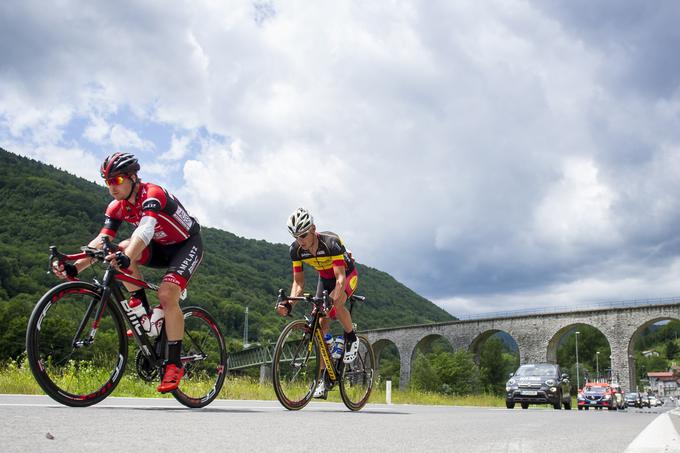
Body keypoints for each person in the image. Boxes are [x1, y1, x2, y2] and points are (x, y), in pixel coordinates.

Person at [52, 152, 203, 393]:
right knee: (118, 249)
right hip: (158, 248)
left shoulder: (152, 194)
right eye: (108, 181)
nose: (112, 187)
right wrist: (74, 266)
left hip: (185, 246)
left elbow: (145, 230)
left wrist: (127, 256)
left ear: (133, 177)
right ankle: (143, 314)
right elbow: (101, 240)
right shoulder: (116, 207)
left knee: (166, 294)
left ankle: (174, 365)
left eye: (117, 180)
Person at [276, 207, 359, 398]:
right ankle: (325, 377)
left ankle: (351, 337)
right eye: (296, 236)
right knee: (320, 325)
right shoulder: (296, 250)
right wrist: (289, 303)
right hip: (325, 278)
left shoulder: (330, 243)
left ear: (313, 229)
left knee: (337, 304)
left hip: (346, 275)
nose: (301, 240)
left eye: (304, 235)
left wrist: (332, 299)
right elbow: (298, 283)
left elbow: (339, 279)